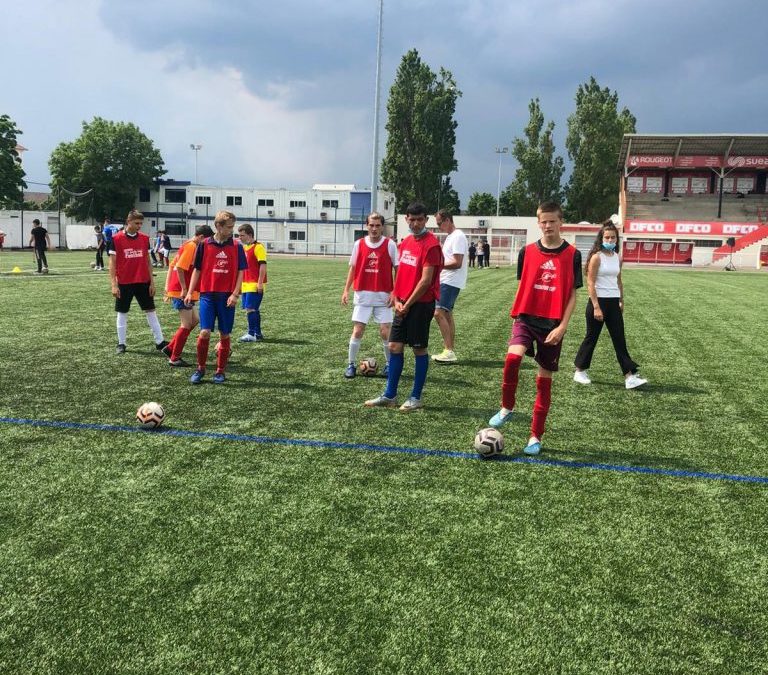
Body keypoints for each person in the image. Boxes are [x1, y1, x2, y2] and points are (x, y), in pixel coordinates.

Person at [488, 201, 582, 455]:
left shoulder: (573, 254)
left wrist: (563, 326)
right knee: (511, 359)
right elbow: (525, 283)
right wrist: (517, 310)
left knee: (544, 381)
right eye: (544, 221)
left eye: (553, 221)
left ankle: (535, 437)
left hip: (552, 325)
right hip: (526, 318)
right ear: (538, 223)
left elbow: (572, 294)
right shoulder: (527, 251)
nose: (548, 225)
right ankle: (507, 407)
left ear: (561, 222)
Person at [365, 202, 443, 412]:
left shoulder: (431, 245)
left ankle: (416, 397)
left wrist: (407, 304)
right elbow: (400, 274)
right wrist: (397, 297)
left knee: (419, 349)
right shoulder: (406, 242)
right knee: (394, 347)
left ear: (426, 220)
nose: (416, 223)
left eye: (420, 219)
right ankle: (390, 395)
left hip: (421, 304)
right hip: (402, 304)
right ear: (406, 219)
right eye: (412, 219)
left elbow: (426, 281)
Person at [573, 220, 648, 389]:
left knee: (619, 339)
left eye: (613, 238)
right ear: (601, 238)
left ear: (617, 240)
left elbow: (618, 280)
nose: (610, 240)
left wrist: (621, 300)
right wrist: (596, 306)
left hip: (614, 302)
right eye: (607, 237)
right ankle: (579, 371)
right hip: (598, 302)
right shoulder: (596, 257)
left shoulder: (617, 258)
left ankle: (630, 377)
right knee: (591, 337)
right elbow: (590, 283)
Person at [185, 210, 246, 384]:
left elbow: (241, 271)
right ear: (218, 226)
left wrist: (235, 293)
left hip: (227, 297)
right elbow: (197, 269)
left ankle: (220, 371)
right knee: (204, 332)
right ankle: (201, 368)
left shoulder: (236, 246)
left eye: (233, 227)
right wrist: (190, 291)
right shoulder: (204, 245)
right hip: (207, 296)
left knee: (224, 335)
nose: (231, 230)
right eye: (229, 227)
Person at [341, 212, 398, 377]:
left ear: (382, 227)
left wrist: (395, 292)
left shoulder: (390, 244)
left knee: (385, 332)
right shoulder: (359, 244)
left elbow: (398, 269)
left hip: (384, 296)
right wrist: (346, 290)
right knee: (358, 330)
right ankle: (351, 365)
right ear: (367, 226)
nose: (374, 229)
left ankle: (389, 365)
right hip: (363, 294)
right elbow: (352, 267)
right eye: (371, 225)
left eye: (377, 225)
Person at [107, 209, 169, 355]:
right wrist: (114, 284)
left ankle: (160, 342)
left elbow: (148, 262)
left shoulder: (144, 238)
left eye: (141, 223)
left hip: (143, 281)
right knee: (122, 312)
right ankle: (121, 343)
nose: (139, 225)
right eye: (136, 223)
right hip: (124, 282)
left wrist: (152, 283)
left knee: (151, 310)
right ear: (128, 222)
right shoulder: (116, 239)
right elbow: (112, 263)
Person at [164, 224, 214, 366]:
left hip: (182, 290)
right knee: (186, 325)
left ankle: (170, 348)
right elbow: (179, 268)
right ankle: (174, 358)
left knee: (195, 320)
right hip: (182, 291)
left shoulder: (189, 245)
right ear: (201, 237)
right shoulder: (191, 246)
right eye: (207, 240)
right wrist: (184, 289)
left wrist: (168, 287)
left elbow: (173, 265)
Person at [432, 210, 467, 364]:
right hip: (448, 280)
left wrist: (437, 266)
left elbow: (457, 262)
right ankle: (449, 350)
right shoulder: (451, 237)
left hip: (450, 281)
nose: (439, 227)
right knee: (446, 314)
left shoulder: (458, 236)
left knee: (438, 313)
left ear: (447, 220)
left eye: (440, 223)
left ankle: (448, 350)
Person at [237, 223, 268, 342]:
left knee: (250, 308)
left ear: (249, 235)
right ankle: (258, 333)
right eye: (239, 235)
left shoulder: (258, 247)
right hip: (245, 284)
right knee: (253, 309)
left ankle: (251, 333)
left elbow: (263, 266)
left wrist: (260, 283)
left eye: (242, 235)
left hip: (254, 284)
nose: (240, 238)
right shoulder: (244, 248)